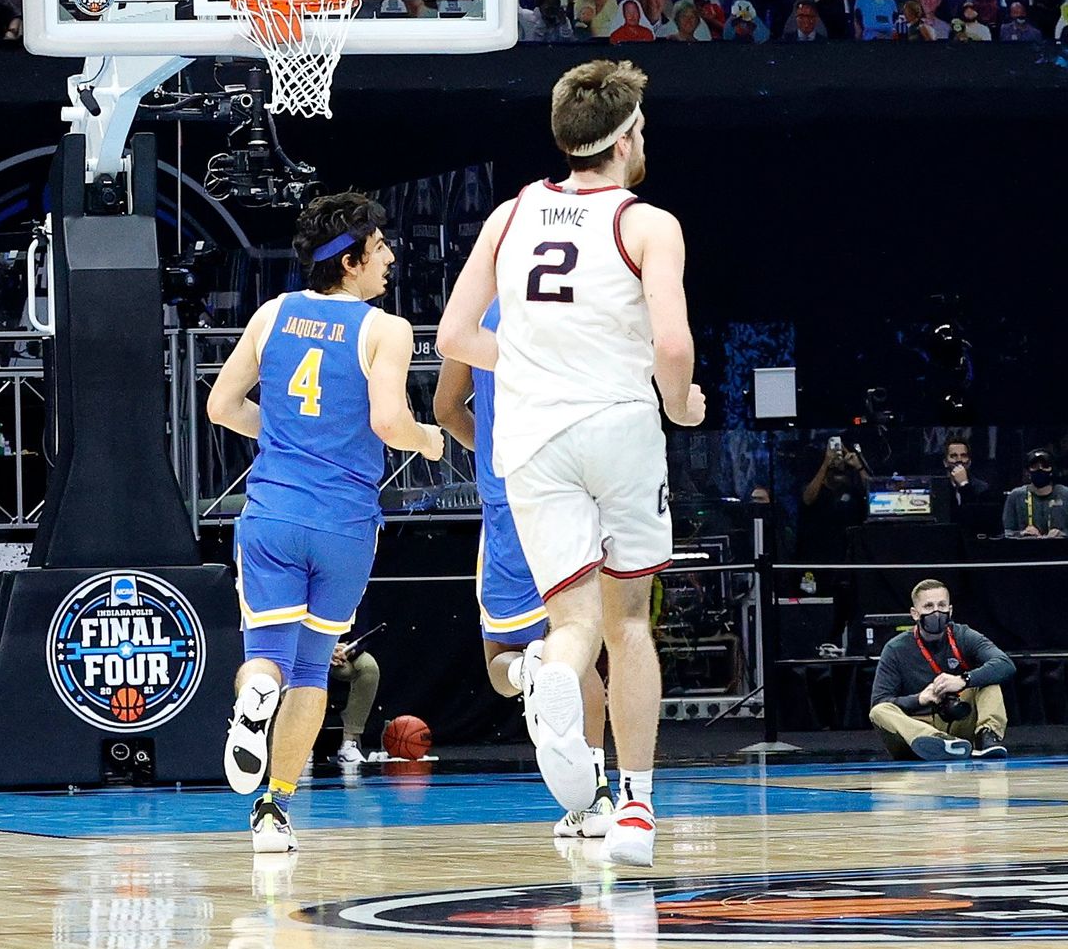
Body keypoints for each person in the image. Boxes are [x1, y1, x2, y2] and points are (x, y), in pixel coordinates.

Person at [437, 61, 707, 868]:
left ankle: (552, 672)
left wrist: (527, 367)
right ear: (624, 139)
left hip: (532, 436)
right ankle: (635, 807)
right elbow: (671, 344)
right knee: (629, 624)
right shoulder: (648, 223)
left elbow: (453, 339)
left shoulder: (511, 213)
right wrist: (681, 401)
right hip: (617, 425)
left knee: (574, 624)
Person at [205, 194, 445, 854]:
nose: (392, 257)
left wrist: (283, 440)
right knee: (312, 671)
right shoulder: (384, 329)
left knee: (266, 662)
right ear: (350, 261)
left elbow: (221, 405)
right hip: (344, 525)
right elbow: (390, 423)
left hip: (274, 514)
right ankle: (274, 810)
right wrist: (429, 440)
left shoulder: (271, 315)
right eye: (381, 249)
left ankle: (254, 702)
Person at [434, 299, 615, 836]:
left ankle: (527, 674)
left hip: (508, 500)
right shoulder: (581, 295)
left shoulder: (479, 311)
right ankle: (598, 797)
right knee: (580, 646)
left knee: (502, 660)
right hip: (573, 493)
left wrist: (489, 448)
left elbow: (446, 410)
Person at [868, 579, 1014, 758]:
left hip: (958, 720)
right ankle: (936, 741)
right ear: (915, 613)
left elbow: (1004, 663)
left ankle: (987, 736)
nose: (936, 612)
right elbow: (879, 701)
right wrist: (920, 699)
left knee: (989, 680)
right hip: (916, 727)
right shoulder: (895, 649)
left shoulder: (963, 635)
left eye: (941, 605)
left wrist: (963, 680)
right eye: (928, 606)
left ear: (950, 610)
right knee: (879, 711)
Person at [1003, 449, 1068, 536]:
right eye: (1035, 466)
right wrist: (1021, 534)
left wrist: (1064, 534)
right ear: (1028, 471)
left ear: (1052, 470)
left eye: (1045, 466)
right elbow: (1006, 532)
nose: (1040, 469)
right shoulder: (1016, 496)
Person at [326, 634, 381, 766]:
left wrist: (349, 650)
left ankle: (349, 741)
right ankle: (299, 744)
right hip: (305, 651)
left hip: (340, 654)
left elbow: (362, 630)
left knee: (368, 667)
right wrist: (325, 650)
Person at [939, 436, 990, 532]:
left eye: (963, 455)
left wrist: (964, 485)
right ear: (945, 462)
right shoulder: (939, 489)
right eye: (953, 456)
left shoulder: (982, 488)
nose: (959, 460)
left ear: (969, 462)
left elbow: (977, 520)